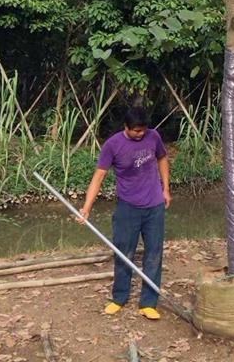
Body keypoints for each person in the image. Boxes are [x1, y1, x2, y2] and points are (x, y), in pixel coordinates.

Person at [78, 105, 171, 319]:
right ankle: (119, 297)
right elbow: (99, 177)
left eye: (143, 130)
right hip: (128, 207)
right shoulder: (113, 145)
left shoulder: (153, 136)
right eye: (136, 131)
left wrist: (165, 188)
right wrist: (86, 208)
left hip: (154, 205)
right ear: (126, 127)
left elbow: (162, 159)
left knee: (154, 253)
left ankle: (149, 302)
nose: (140, 134)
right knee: (123, 252)